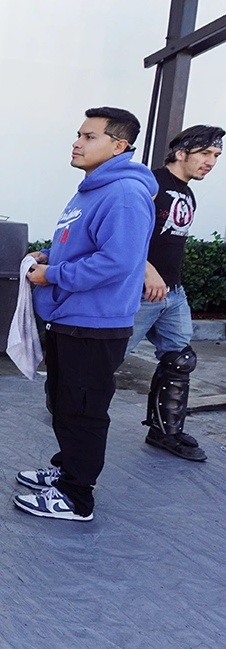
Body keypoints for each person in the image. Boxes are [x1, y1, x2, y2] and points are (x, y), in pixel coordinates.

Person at [14, 107, 156, 521]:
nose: (77, 142)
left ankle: (77, 497)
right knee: (63, 402)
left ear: (119, 145)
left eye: (89, 136)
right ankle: (66, 470)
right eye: (78, 134)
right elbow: (86, 247)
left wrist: (52, 274)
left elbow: (117, 261)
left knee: (83, 410)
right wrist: (47, 255)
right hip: (70, 318)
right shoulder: (91, 190)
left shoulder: (125, 194)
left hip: (96, 324)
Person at [125, 125, 223, 462]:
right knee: (102, 358)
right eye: (206, 154)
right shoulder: (150, 183)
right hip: (139, 291)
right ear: (181, 152)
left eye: (216, 156)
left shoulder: (188, 192)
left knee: (180, 360)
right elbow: (124, 229)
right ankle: (68, 411)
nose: (212, 162)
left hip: (172, 293)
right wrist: (146, 269)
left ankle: (165, 432)